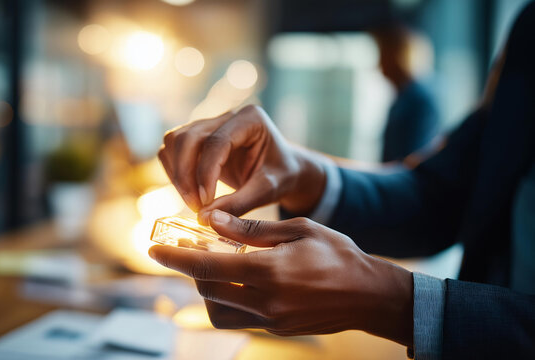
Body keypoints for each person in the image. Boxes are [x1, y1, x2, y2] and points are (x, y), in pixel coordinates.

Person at [151, 3, 535, 359]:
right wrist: (305, 175)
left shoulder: (420, 98)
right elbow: (442, 195)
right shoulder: (529, 25)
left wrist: (397, 303)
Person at [371, 24, 440, 162]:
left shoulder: (419, 99)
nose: (378, 65)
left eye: (383, 55)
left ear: (397, 57)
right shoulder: (404, 98)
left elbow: (412, 159)